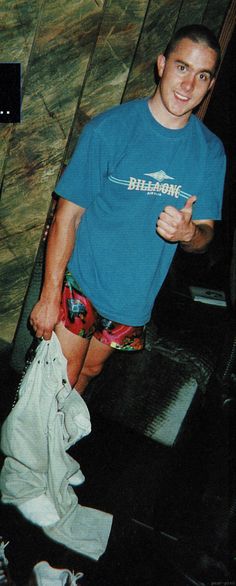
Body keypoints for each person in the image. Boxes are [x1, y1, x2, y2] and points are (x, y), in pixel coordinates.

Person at [30, 24, 226, 394]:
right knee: (60, 376)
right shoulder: (109, 129)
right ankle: (30, 452)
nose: (188, 85)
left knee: (89, 371)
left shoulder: (210, 152)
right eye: (182, 68)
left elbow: (205, 236)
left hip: (133, 293)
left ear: (210, 84)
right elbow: (66, 216)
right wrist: (48, 296)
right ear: (161, 65)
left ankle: (50, 447)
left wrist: (188, 234)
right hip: (83, 276)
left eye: (202, 76)